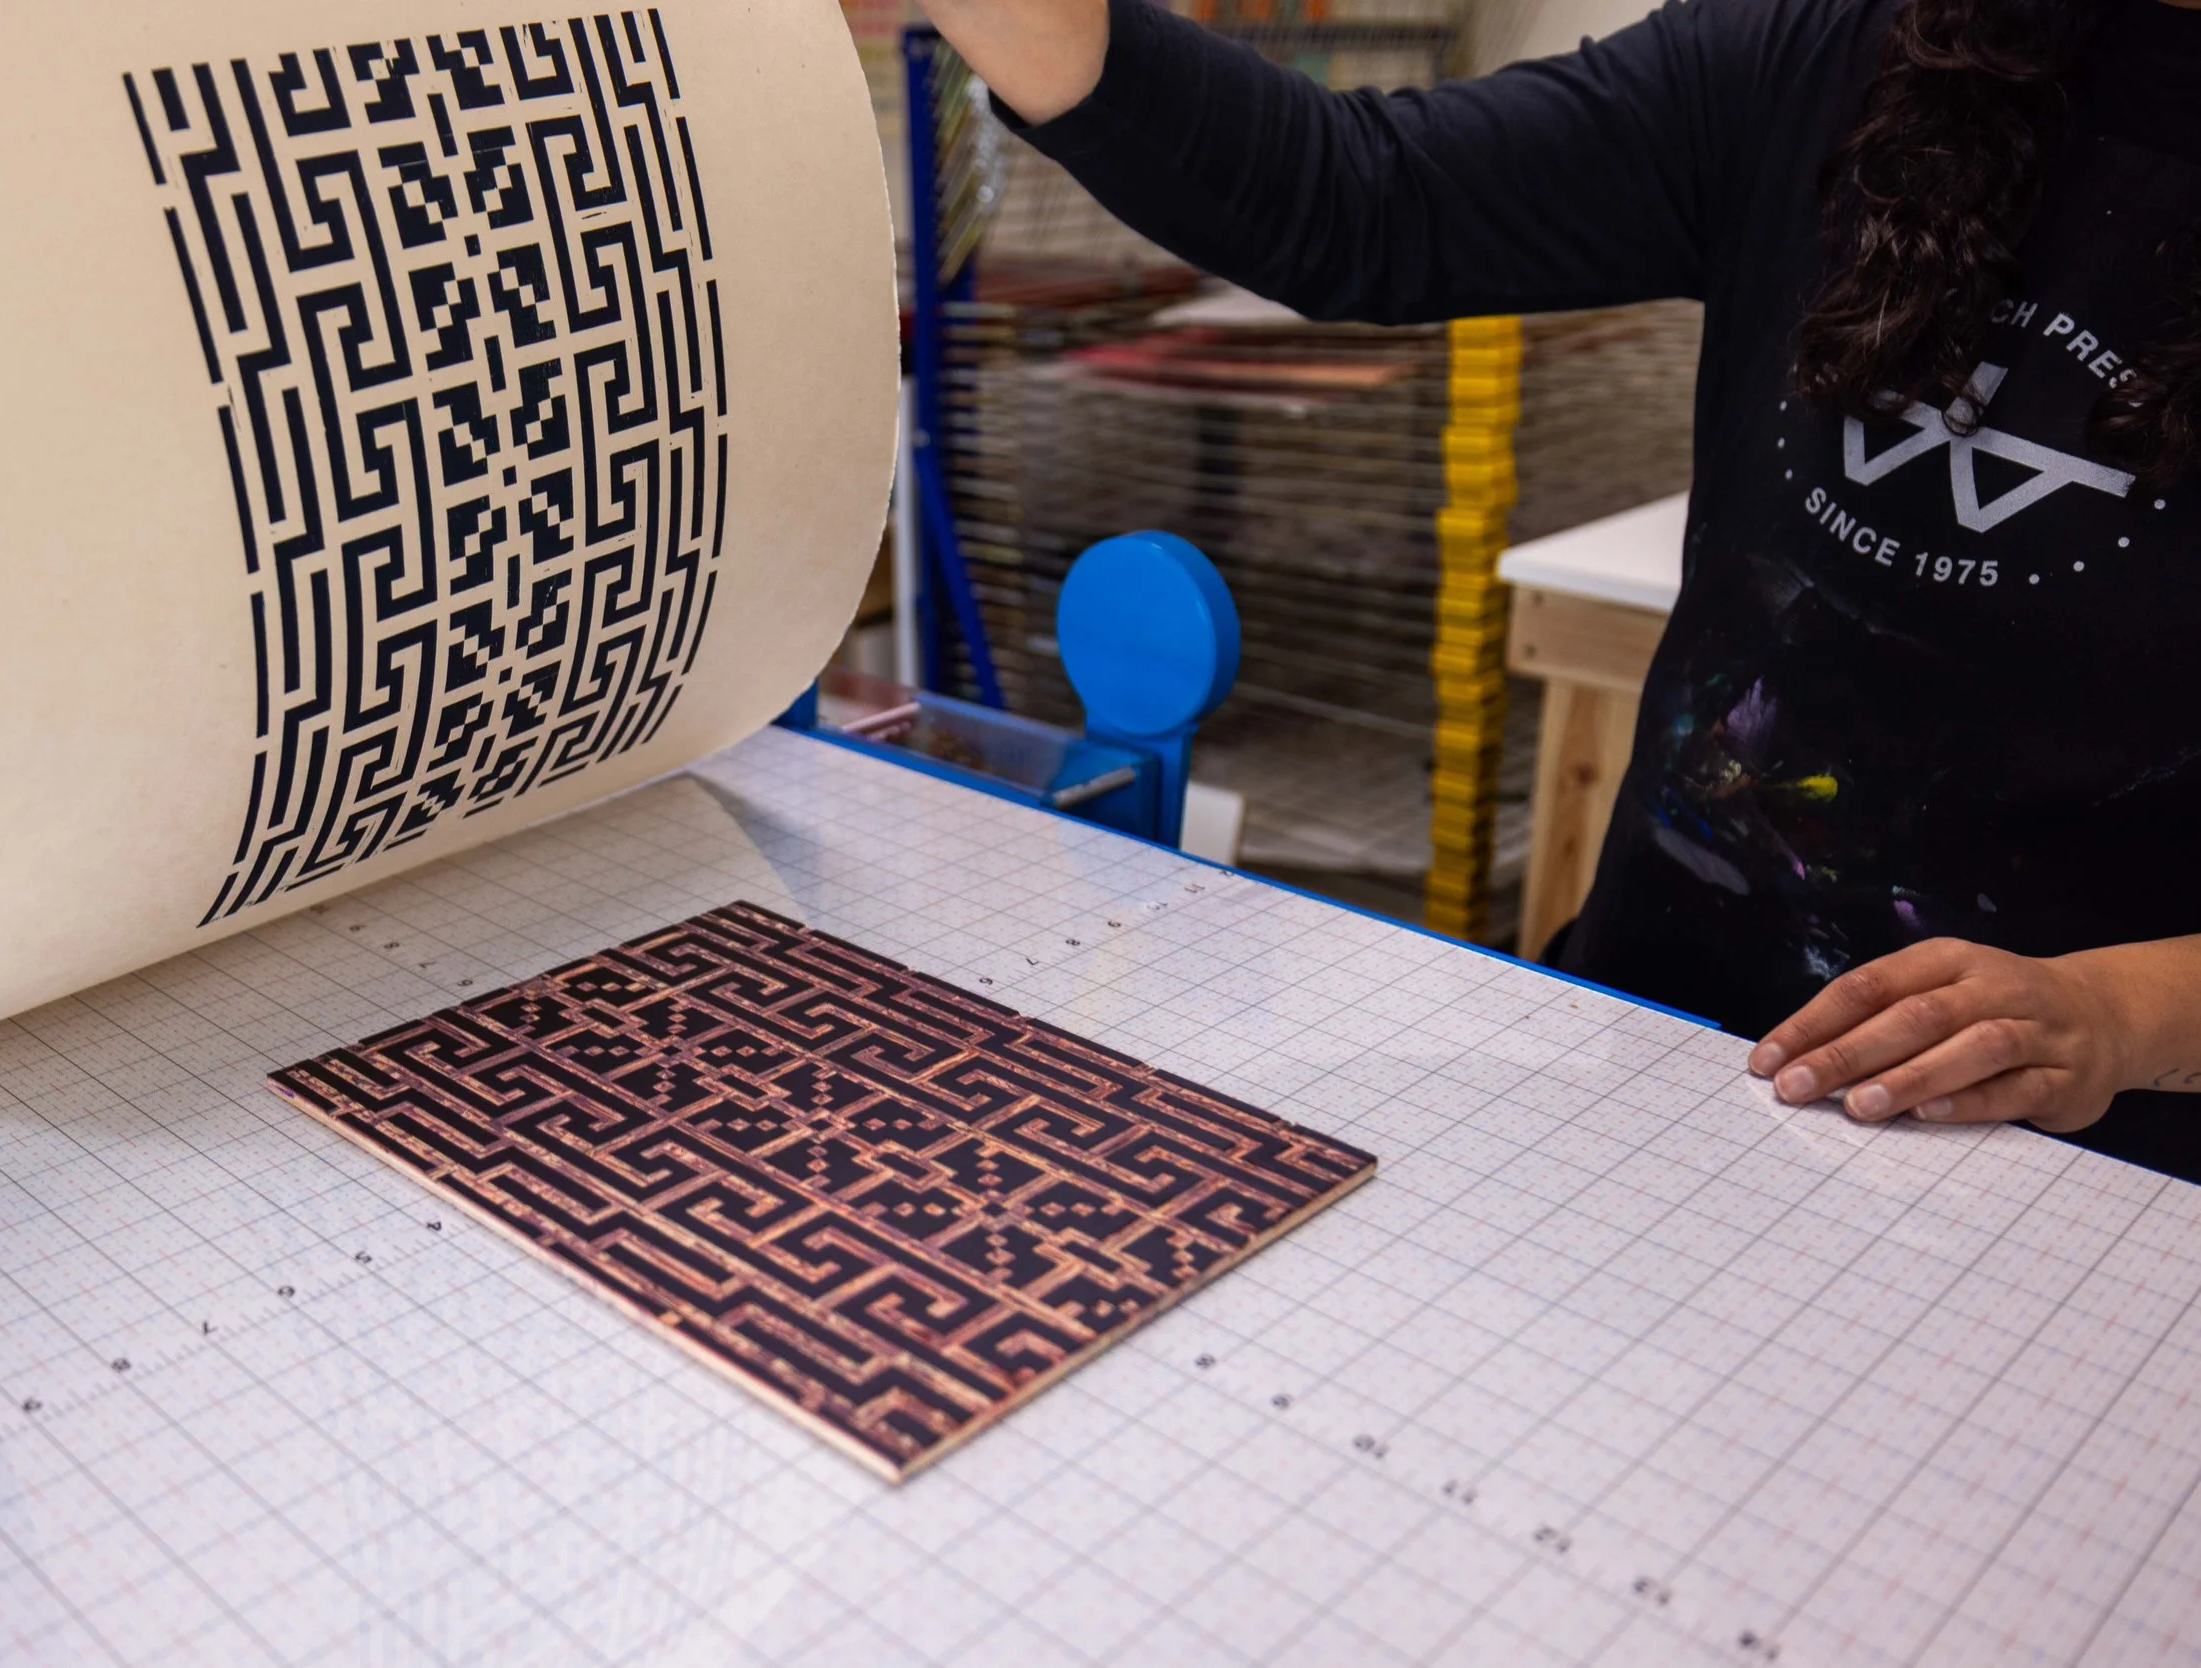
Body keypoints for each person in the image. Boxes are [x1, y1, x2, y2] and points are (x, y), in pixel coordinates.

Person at [920, 0, 2201, 1180]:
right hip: (1665, 1052)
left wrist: (2118, 1015)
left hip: (2083, 1167)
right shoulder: (1856, 49)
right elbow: (1361, 199)